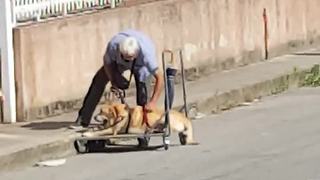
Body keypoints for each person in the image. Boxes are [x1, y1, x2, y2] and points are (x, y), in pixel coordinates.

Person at [70, 29, 163, 129]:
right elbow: (107, 64)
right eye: (125, 57)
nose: (128, 60)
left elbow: (160, 78)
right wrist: (113, 81)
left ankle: (142, 126)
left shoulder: (147, 55)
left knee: (143, 95)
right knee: (99, 80)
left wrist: (153, 102)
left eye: (130, 58)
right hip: (118, 63)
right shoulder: (113, 45)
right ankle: (83, 119)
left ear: (136, 54)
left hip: (141, 66)